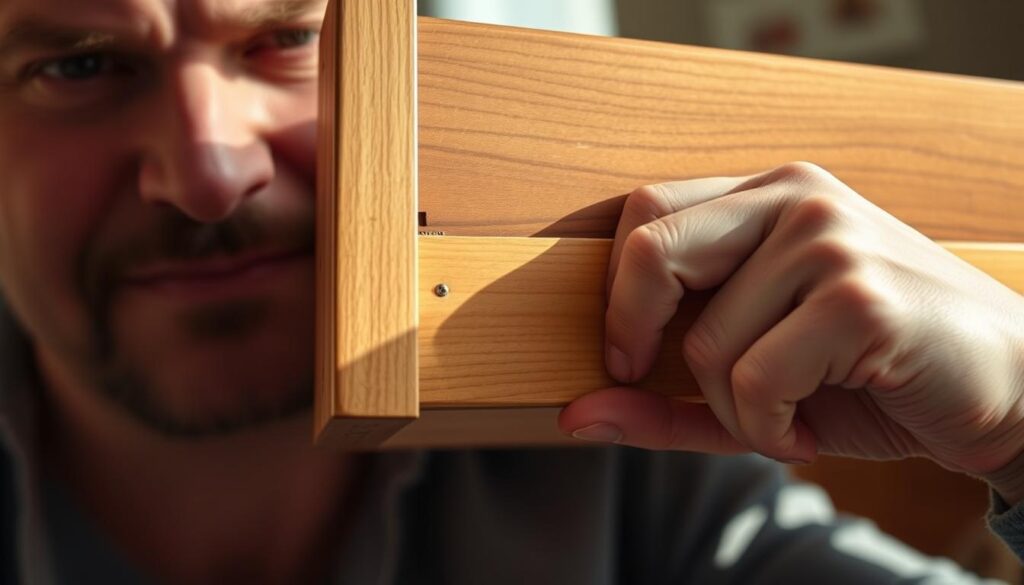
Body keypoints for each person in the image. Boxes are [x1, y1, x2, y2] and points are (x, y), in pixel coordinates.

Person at [0, 0, 1021, 583]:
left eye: (292, 40)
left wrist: (1016, 426)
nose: (209, 174)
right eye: (78, 64)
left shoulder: (614, 471)